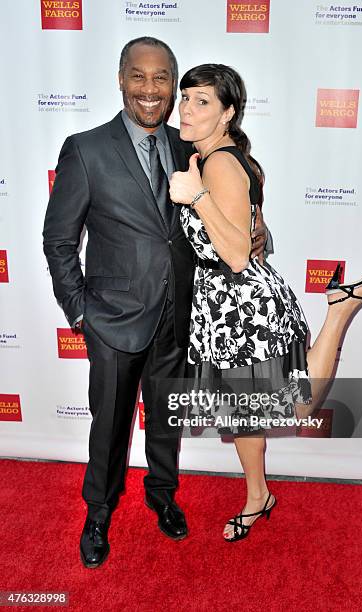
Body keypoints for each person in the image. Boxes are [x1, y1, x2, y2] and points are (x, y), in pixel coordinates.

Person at [43, 38, 268, 567]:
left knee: (167, 418)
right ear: (121, 79)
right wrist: (79, 311)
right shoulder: (86, 148)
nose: (151, 90)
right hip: (113, 320)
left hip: (180, 316)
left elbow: (225, 217)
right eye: (139, 77)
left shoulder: (189, 143)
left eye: (162, 78)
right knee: (110, 424)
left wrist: (258, 234)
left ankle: (162, 494)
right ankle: (98, 513)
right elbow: (59, 240)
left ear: (173, 84)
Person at [169, 63, 362, 542]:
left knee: (293, 408)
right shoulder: (224, 158)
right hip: (228, 305)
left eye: (202, 101)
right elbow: (253, 235)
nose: (186, 108)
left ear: (227, 113)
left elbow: (231, 255)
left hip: (240, 307)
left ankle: (338, 312)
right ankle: (258, 495)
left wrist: (198, 197)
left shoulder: (217, 164)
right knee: (246, 411)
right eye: (186, 97)